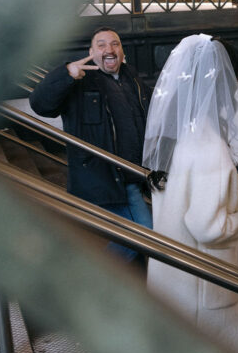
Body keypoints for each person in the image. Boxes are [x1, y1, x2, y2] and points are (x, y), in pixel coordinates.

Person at [140, 34, 238, 353]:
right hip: (206, 292)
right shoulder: (210, 148)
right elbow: (208, 226)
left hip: (172, 281)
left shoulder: (171, 141)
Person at [29, 27, 153, 262]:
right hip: (101, 178)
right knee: (146, 236)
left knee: (143, 238)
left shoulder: (132, 79)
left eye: (115, 44)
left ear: (122, 50)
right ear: (91, 52)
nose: (109, 49)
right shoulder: (80, 82)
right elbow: (40, 104)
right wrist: (66, 74)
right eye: (102, 45)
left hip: (132, 178)